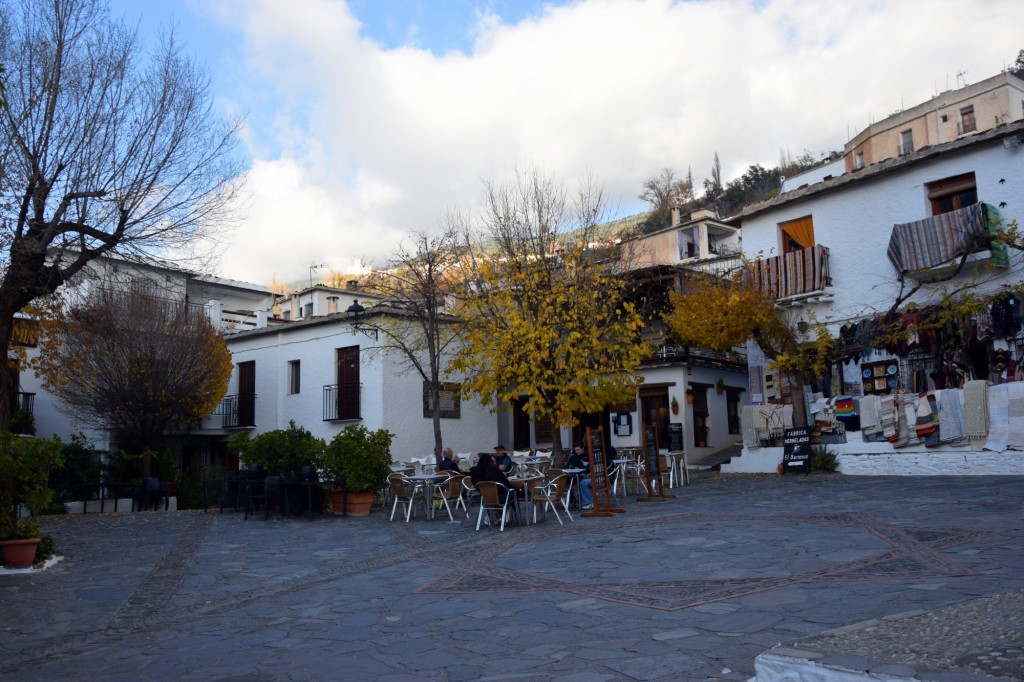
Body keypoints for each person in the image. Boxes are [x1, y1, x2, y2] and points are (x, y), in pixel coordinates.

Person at [565, 443, 593, 510]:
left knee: (581, 480)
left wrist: (585, 465)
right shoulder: (573, 457)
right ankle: (572, 499)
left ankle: (584, 501)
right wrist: (572, 468)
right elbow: (567, 467)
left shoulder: (587, 456)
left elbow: (590, 468)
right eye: (576, 450)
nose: (577, 451)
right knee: (566, 480)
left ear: (582, 448)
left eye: (579, 450)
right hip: (574, 475)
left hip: (585, 475)